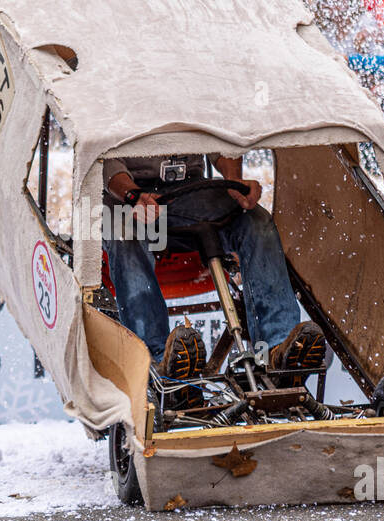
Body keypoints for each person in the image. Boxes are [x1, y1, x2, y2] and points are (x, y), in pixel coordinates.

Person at [101, 153, 326, 383]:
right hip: (124, 197)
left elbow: (221, 144)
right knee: (123, 235)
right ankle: (156, 363)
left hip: (187, 190)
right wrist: (131, 194)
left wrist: (233, 179)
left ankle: (276, 350)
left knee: (256, 222)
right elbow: (103, 154)